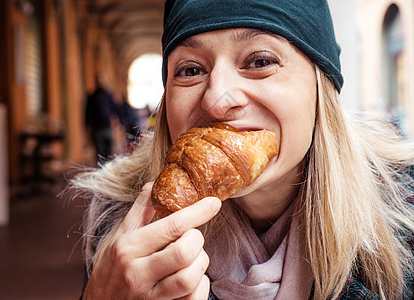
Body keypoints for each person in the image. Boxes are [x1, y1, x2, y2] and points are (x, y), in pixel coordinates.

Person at [70, 0, 414, 299]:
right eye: (191, 70)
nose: (217, 99)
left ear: (321, 85)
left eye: (260, 61)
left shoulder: (405, 213)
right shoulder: (119, 222)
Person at [84, 76, 119, 164]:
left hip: (107, 127)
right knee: (100, 151)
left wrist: (116, 123)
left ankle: (107, 168)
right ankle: (102, 169)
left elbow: (114, 110)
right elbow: (87, 112)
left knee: (109, 150)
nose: (101, 82)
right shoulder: (92, 97)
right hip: (97, 128)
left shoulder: (108, 96)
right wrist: (87, 126)